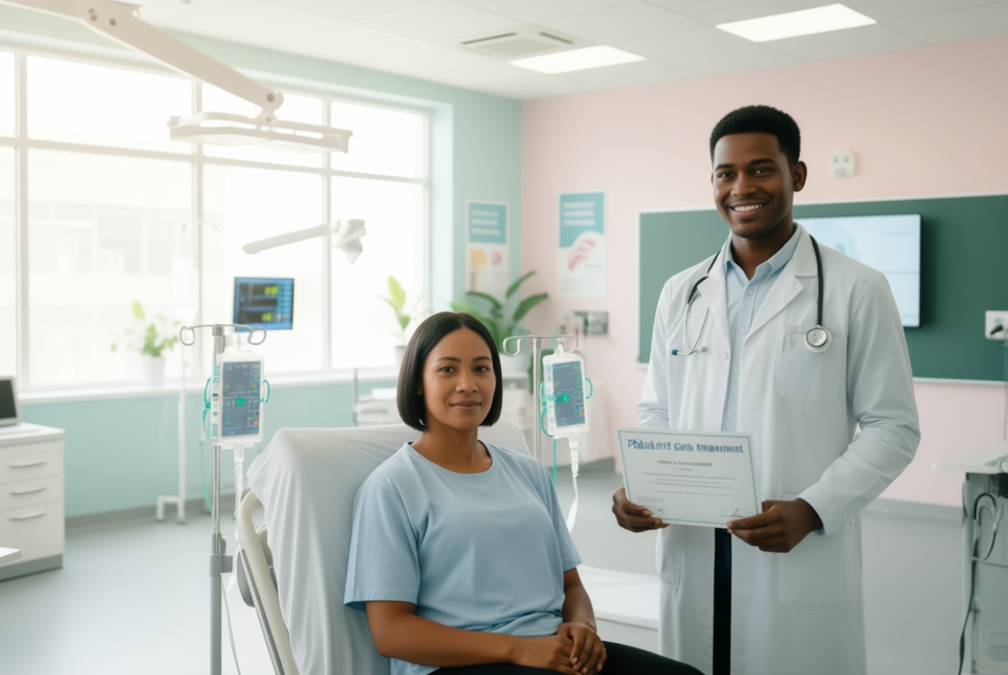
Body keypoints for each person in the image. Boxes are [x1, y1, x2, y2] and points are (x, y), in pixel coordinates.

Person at [612, 105, 921, 675]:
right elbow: (658, 408)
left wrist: (813, 509)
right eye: (725, 173)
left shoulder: (857, 289)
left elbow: (893, 427)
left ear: (796, 175)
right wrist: (643, 484)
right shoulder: (681, 292)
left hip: (793, 550)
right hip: (693, 543)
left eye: (761, 169)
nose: (742, 188)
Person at [346, 312, 702, 675]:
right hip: (460, 664)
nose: (468, 384)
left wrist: (583, 626)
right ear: (418, 382)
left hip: (551, 651)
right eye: (447, 369)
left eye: (481, 369)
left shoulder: (529, 472)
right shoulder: (390, 487)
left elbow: (571, 586)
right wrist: (519, 650)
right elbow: (391, 633)